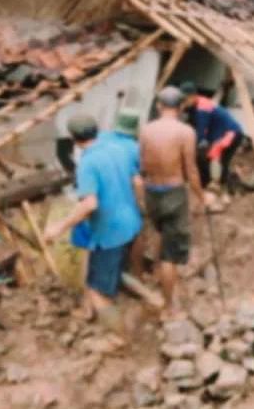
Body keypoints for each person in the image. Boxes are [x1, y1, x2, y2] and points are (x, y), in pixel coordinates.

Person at [44, 110, 143, 338]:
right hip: (131, 223)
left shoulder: (87, 164)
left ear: (73, 139)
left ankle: (120, 338)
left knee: (96, 291)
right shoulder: (117, 148)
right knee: (112, 271)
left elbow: (89, 204)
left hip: (109, 233)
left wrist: (58, 227)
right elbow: (137, 180)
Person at [136, 86, 207, 319]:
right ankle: (169, 307)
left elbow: (142, 165)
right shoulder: (186, 132)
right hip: (173, 193)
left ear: (159, 106)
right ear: (181, 107)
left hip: (151, 191)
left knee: (158, 235)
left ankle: (159, 282)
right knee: (170, 254)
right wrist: (201, 196)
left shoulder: (145, 130)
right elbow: (191, 170)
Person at [179, 81, 245, 200]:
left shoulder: (202, 109)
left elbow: (199, 134)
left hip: (231, 133)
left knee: (218, 158)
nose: (183, 103)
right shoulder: (194, 106)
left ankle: (221, 190)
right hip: (220, 134)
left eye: (185, 100)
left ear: (193, 96)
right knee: (209, 157)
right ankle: (209, 183)